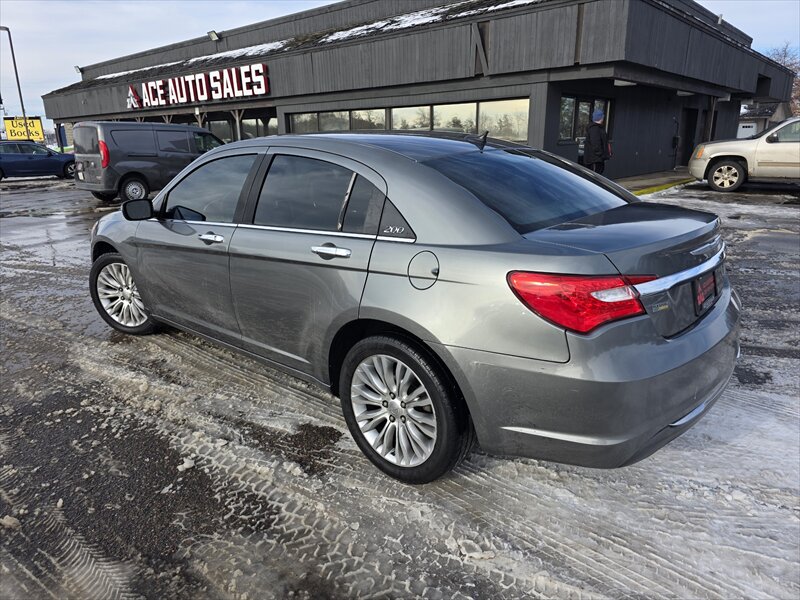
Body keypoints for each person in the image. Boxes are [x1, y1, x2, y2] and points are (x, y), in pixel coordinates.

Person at [585, 110, 611, 174]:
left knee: (598, 174)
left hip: (598, 159)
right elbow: (596, 144)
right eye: (603, 117)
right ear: (601, 117)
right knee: (595, 177)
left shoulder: (599, 128)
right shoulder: (594, 129)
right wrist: (601, 154)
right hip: (594, 160)